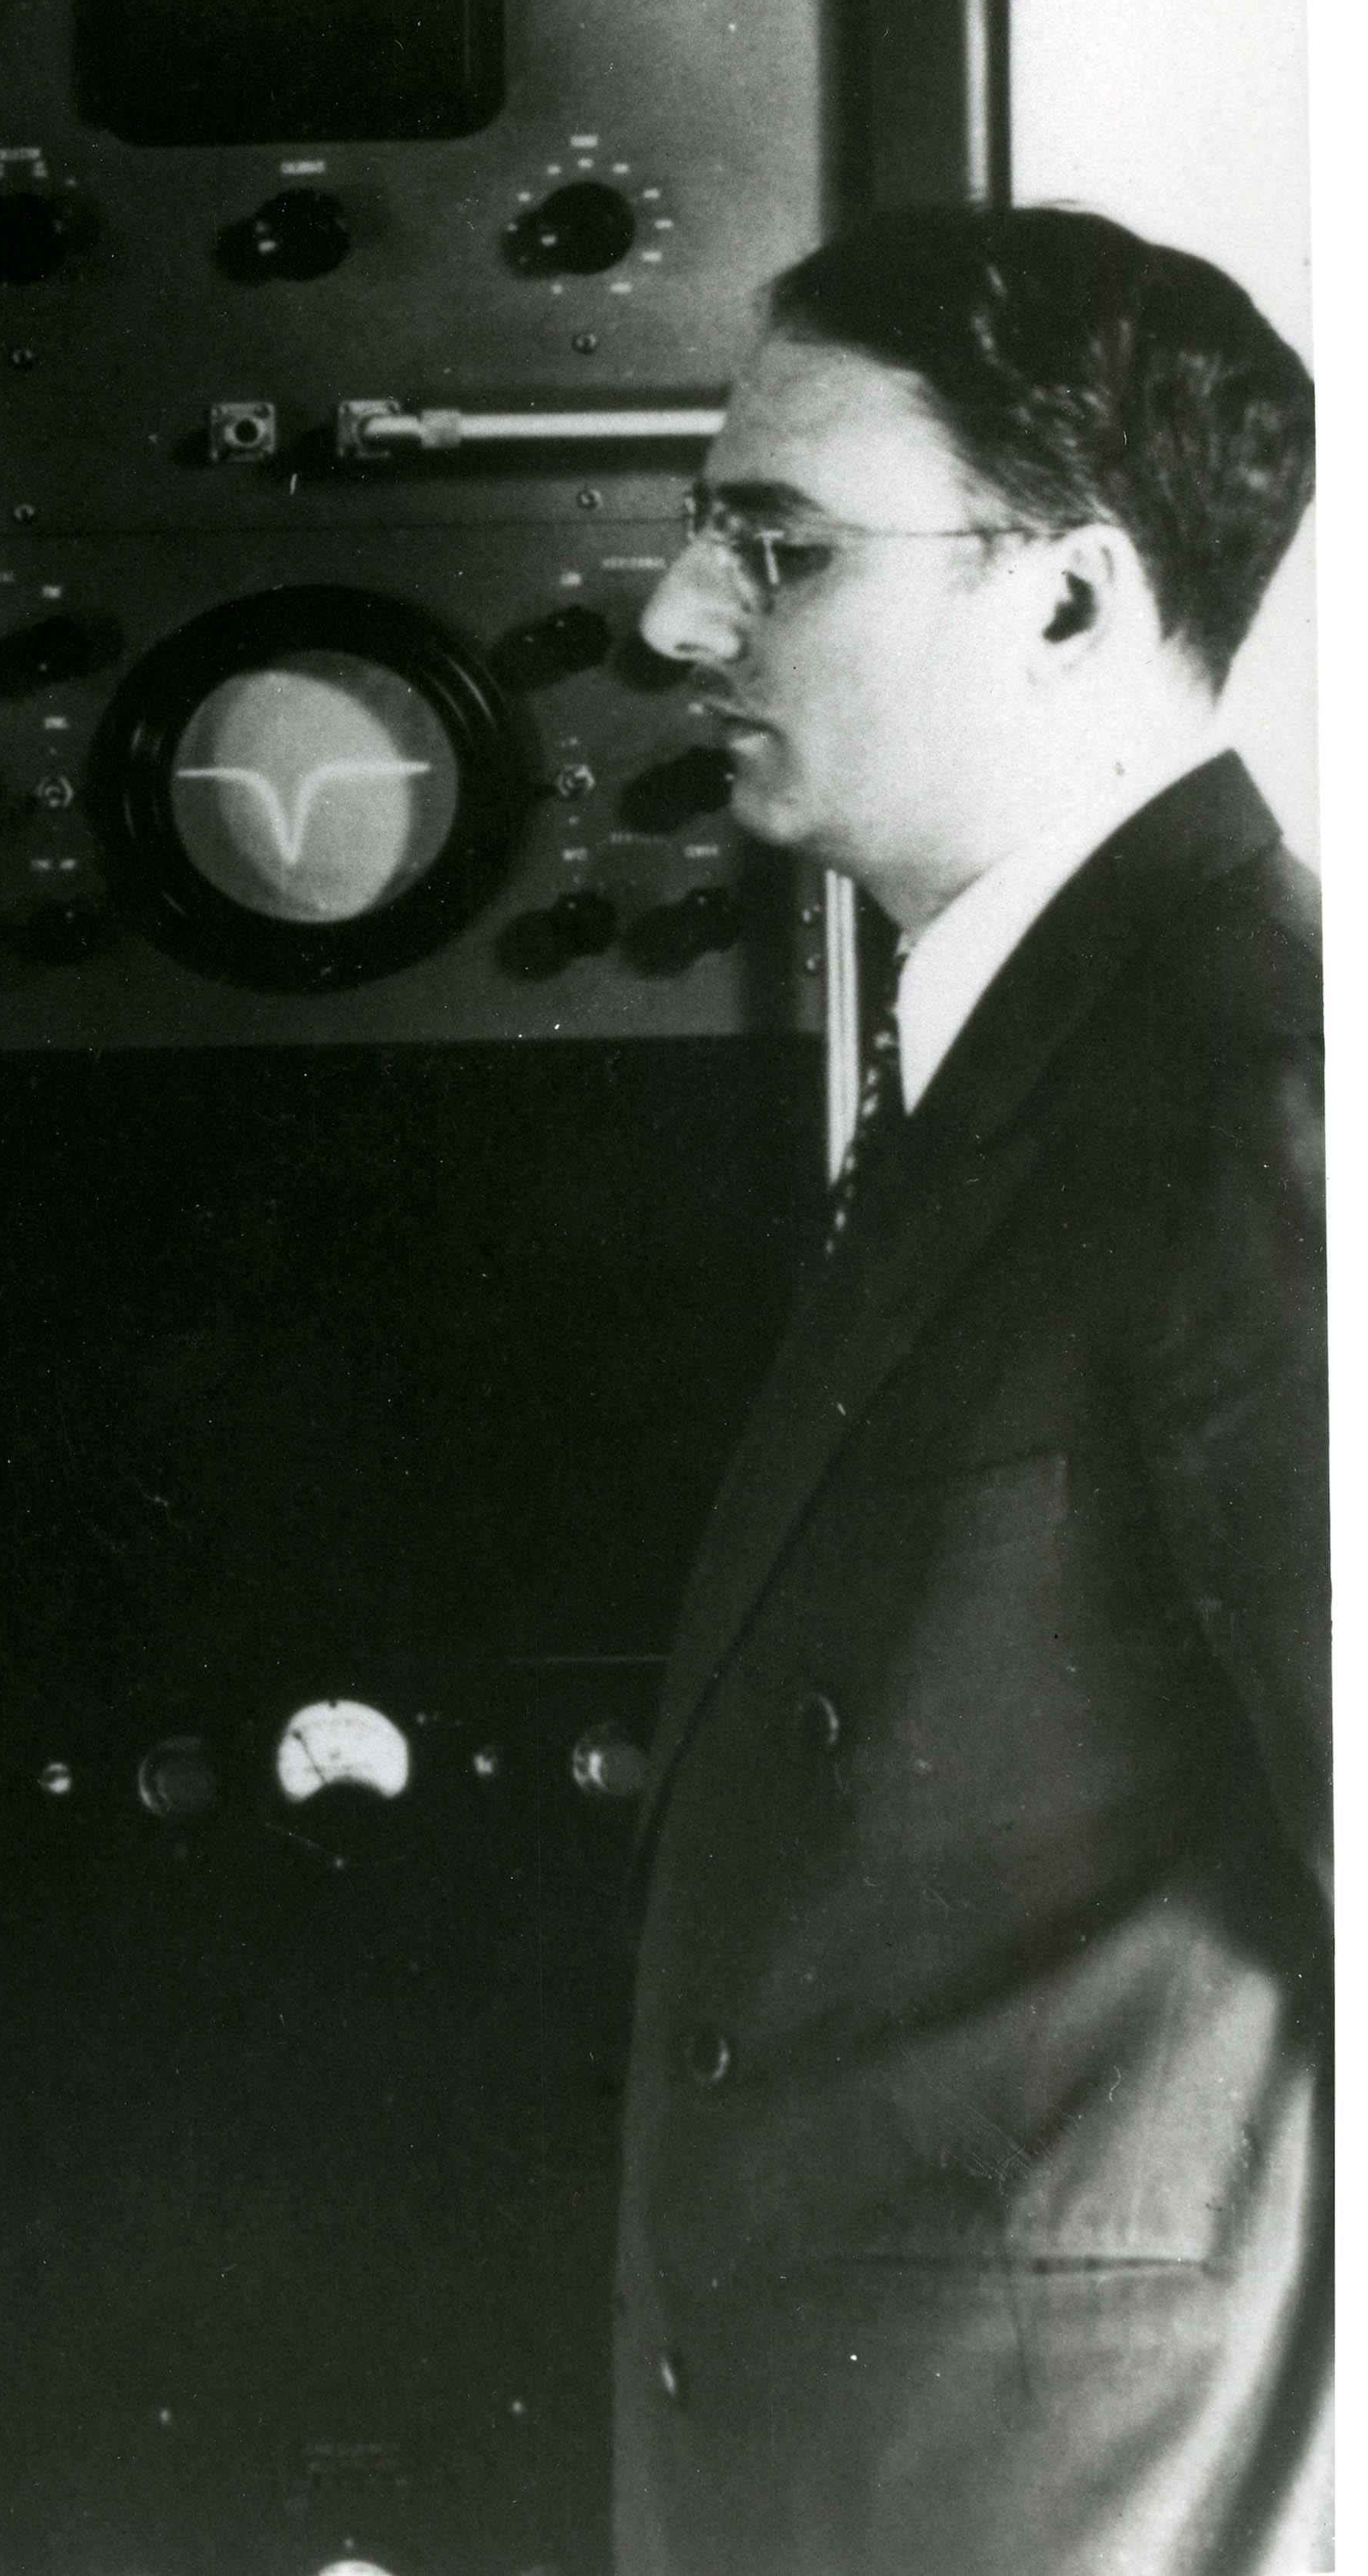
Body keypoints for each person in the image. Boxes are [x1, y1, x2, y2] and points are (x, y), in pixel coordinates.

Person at [614, 201, 1324, 2573]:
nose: (676, 618)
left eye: (775, 545)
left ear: (1067, 598)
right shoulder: (1033, 1044)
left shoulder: (1256, 1089)